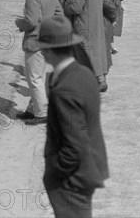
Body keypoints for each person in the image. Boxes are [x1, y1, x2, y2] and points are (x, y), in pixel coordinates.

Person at [36, 15, 109, 218]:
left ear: (47, 51)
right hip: (88, 170)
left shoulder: (65, 90)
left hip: (71, 180)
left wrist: (52, 171)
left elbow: (74, 148)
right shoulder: (85, 73)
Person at [15, 0, 64, 124]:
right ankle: (32, 109)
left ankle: (42, 113)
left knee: (34, 78)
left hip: (35, 40)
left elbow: (31, 20)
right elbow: (59, 13)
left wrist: (19, 23)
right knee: (38, 77)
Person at [63, 0, 108, 91]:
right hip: (96, 20)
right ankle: (101, 79)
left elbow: (76, 8)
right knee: (97, 51)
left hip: (83, 23)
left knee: (84, 55)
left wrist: (67, 2)